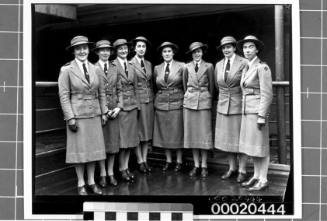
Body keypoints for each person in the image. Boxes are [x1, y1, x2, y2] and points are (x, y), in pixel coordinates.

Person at [58, 35, 108, 195]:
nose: (82, 51)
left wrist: (104, 112)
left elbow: (102, 93)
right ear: (73, 51)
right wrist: (70, 117)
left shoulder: (96, 69)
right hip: (77, 116)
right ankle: (81, 184)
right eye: (78, 48)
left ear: (88, 49)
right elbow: (64, 95)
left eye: (84, 48)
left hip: (94, 114)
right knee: (79, 152)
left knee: (94, 150)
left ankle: (92, 182)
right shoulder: (66, 70)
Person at [236, 35, 273, 191]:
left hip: (257, 112)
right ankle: (257, 176)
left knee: (261, 147)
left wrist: (261, 116)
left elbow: (267, 94)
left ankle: (264, 179)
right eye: (245, 47)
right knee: (253, 148)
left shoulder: (262, 67)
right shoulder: (247, 67)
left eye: (251, 47)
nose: (247, 50)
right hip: (247, 112)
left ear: (257, 49)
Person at [214, 36, 249, 183]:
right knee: (227, 140)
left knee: (240, 140)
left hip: (238, 105)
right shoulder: (218, 64)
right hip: (223, 105)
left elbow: (247, 84)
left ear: (235, 48)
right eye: (223, 47)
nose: (226, 50)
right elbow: (217, 86)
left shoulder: (244, 62)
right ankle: (232, 168)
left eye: (229, 47)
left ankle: (242, 170)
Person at [183, 42, 214, 178]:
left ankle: (204, 165)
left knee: (204, 134)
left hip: (204, 101)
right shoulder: (186, 66)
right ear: (191, 54)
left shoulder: (209, 66)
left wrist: (207, 98)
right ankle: (196, 165)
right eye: (194, 52)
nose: (197, 54)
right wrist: (189, 95)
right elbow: (185, 84)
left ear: (202, 52)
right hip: (190, 102)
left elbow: (212, 86)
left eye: (199, 51)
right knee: (193, 135)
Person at [153, 41, 185, 172]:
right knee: (165, 133)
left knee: (177, 132)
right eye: (164, 51)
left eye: (169, 51)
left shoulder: (182, 66)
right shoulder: (157, 68)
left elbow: (185, 84)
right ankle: (168, 160)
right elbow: (155, 85)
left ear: (173, 53)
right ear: (162, 54)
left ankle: (179, 161)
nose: (167, 54)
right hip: (161, 104)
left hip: (177, 102)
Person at [112, 39, 140, 182]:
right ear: (116, 51)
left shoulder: (132, 65)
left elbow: (136, 87)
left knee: (130, 140)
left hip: (133, 106)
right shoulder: (113, 65)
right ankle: (121, 169)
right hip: (122, 107)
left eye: (125, 49)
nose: (123, 51)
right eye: (120, 49)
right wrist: (119, 105)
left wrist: (138, 105)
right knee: (123, 142)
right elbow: (114, 89)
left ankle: (126, 167)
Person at [94, 40, 121, 187]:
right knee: (102, 144)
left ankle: (111, 173)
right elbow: (95, 93)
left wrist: (118, 107)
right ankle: (103, 174)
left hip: (114, 111)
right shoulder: (92, 68)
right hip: (101, 111)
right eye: (102, 50)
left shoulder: (114, 68)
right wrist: (103, 111)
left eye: (107, 50)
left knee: (112, 144)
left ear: (111, 52)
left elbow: (120, 89)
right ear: (97, 52)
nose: (105, 52)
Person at [130, 36, 154, 173]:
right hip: (137, 101)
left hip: (148, 101)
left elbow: (150, 84)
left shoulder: (149, 64)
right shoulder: (130, 64)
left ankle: (145, 159)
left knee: (146, 132)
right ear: (134, 48)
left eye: (143, 46)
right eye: (139, 46)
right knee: (138, 132)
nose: (141, 49)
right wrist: (135, 102)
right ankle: (139, 160)